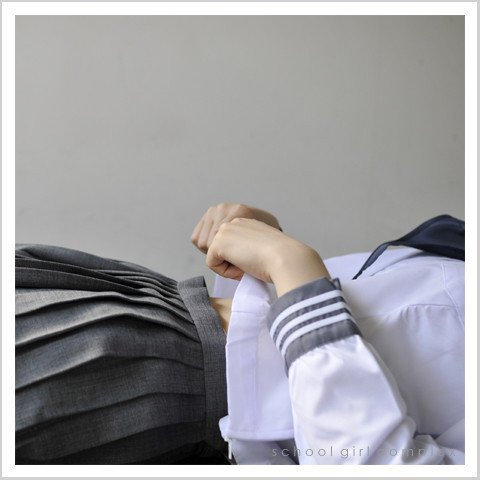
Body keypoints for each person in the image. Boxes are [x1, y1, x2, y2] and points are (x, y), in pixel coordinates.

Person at [15, 203, 465, 465]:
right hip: (137, 308)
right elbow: (387, 321)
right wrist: (262, 257)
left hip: (141, 392)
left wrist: (293, 270)